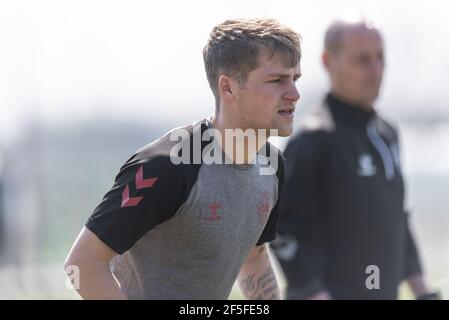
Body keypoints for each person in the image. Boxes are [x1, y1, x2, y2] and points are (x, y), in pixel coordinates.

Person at [64, 18, 302, 300]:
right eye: (277, 80)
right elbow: (83, 264)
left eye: (295, 79)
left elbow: (254, 257)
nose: (294, 94)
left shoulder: (272, 166)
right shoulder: (167, 166)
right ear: (227, 88)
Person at [272, 18, 439, 300]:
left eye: (380, 58)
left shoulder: (387, 133)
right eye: (362, 60)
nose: (376, 70)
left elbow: (396, 218)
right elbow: (284, 232)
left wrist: (423, 292)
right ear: (328, 61)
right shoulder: (314, 139)